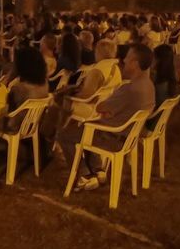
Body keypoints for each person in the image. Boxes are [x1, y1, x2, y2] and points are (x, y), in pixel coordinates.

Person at [58, 43, 155, 191]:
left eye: (127, 58)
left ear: (135, 64)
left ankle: (84, 176)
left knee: (65, 135)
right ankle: (98, 169)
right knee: (87, 128)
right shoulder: (148, 86)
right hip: (127, 135)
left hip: (113, 137)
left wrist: (108, 110)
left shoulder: (129, 88)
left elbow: (100, 107)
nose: (123, 61)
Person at [6, 48, 49, 132]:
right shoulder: (45, 83)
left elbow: (8, 108)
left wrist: (9, 77)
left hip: (16, 126)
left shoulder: (19, 87)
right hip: (35, 124)